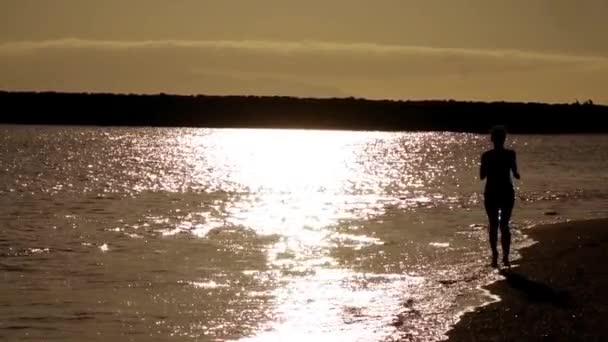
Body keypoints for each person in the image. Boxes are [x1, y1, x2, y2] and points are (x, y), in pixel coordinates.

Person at [480, 126, 520, 268]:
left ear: (492, 139)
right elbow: (515, 172)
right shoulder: (510, 154)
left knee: (493, 225)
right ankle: (506, 257)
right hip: (506, 192)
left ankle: (495, 256)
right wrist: (515, 174)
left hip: (491, 192)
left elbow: (481, 176)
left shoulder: (486, 156)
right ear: (504, 139)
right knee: (504, 225)